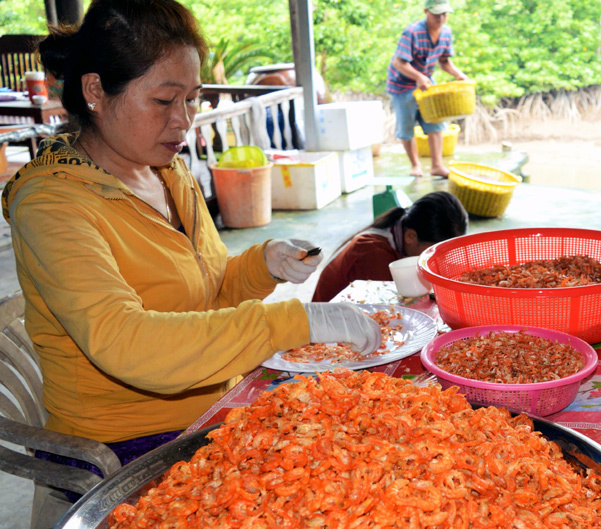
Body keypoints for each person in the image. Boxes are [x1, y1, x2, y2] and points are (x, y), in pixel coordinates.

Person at [1, 0, 380, 486]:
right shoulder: (52, 206)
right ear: (95, 90)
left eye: (192, 99)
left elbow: (207, 295)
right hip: (121, 445)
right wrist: (295, 320)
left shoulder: (167, 171)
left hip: (216, 400)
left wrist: (261, 266)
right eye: (163, 101)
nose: (183, 121)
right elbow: (126, 344)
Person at [312, 191, 468, 302]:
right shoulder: (374, 254)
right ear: (410, 237)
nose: (440, 259)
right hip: (327, 333)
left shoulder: (397, 230)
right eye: (435, 251)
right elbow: (387, 310)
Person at [386, 0, 468, 179]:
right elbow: (398, 62)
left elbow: (444, 61)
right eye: (437, 14)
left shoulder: (446, 32)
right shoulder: (412, 32)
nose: (441, 18)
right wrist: (418, 77)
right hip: (402, 84)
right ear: (426, 12)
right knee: (406, 127)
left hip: (426, 82)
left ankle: (437, 166)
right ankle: (415, 165)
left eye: (444, 14)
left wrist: (459, 75)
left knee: (435, 123)